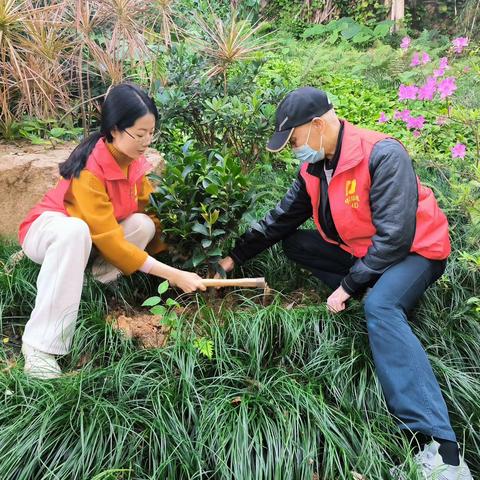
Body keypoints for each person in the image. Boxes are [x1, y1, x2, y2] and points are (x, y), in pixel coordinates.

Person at [218, 87, 473, 479]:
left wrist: (349, 286)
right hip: (365, 252)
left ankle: (441, 448)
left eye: (296, 140)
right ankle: (379, 286)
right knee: (295, 242)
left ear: (318, 125)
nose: (295, 150)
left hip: (417, 252)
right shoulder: (315, 167)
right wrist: (235, 256)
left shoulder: (382, 154)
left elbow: (395, 238)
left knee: (380, 307)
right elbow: (281, 219)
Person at [19, 83, 206, 380]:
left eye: (151, 133)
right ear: (115, 130)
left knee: (142, 225)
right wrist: (172, 274)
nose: (146, 141)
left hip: (86, 243)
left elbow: (149, 211)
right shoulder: (91, 171)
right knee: (75, 230)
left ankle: (87, 282)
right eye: (139, 134)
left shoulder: (133, 162)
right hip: (49, 232)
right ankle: (40, 346)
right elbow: (111, 240)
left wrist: (180, 253)